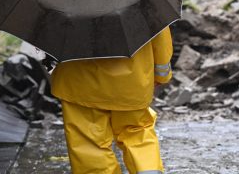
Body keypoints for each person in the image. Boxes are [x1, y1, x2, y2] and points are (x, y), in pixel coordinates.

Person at [51, 27, 173, 174]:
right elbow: (160, 36)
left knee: (89, 145)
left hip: (79, 83)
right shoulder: (144, 4)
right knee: (137, 133)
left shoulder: (65, 4)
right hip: (131, 82)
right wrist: (161, 76)